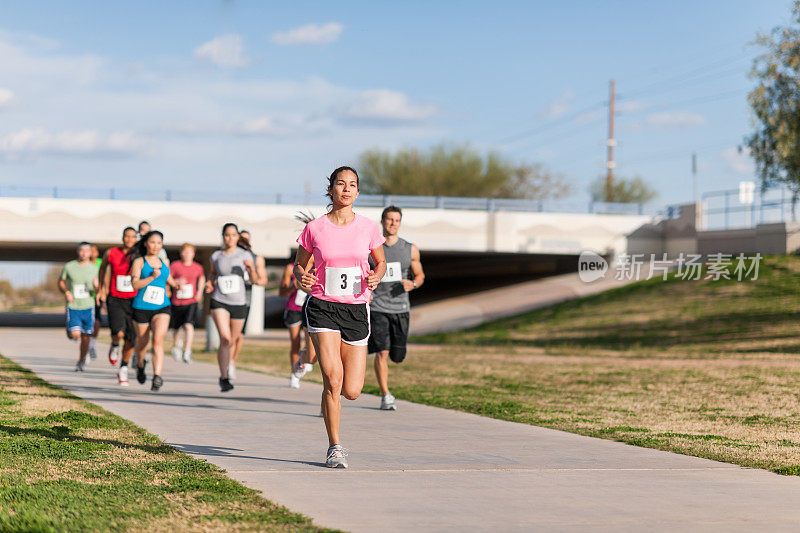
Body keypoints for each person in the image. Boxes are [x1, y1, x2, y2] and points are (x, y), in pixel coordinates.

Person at [294, 166, 386, 468]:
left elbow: (380, 262)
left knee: (352, 390)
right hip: (323, 306)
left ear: (357, 192)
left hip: (357, 309)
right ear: (331, 189)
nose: (346, 189)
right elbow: (299, 266)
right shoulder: (315, 228)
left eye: (352, 185)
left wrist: (376, 276)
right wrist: (301, 278)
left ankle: (330, 387)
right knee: (333, 380)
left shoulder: (369, 227)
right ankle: (335, 446)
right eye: (340, 184)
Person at [368, 206, 425, 410]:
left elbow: (420, 275)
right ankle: (386, 395)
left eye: (396, 220)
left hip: (401, 308)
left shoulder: (410, 248)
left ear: (400, 223)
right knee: (381, 352)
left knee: (398, 357)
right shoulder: (372, 247)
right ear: (382, 221)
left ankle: (394, 361)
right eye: (389, 219)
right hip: (378, 307)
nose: (393, 223)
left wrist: (414, 284)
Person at [206, 223, 257, 392]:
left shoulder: (245, 255)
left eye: (233, 235)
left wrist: (250, 268)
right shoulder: (216, 256)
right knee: (225, 339)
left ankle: (230, 364)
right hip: (219, 300)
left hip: (239, 302)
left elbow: (255, 279)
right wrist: (209, 282)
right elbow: (213, 273)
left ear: (237, 237)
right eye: (227, 235)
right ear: (223, 236)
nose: (230, 238)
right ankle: (224, 377)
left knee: (233, 340)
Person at [129, 230, 175, 391]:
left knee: (158, 340)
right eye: (153, 242)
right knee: (142, 342)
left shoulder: (163, 263)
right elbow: (134, 285)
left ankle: (157, 376)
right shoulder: (139, 262)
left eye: (159, 243)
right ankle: (140, 365)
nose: (156, 246)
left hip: (162, 306)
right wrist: (150, 278)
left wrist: (178, 285)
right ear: (146, 243)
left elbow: (169, 280)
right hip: (141, 307)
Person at [98, 227, 138, 385]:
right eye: (127, 236)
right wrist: (102, 287)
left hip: (134, 300)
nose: (129, 239)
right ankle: (114, 344)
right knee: (118, 332)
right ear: (122, 238)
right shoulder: (111, 253)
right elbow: (102, 269)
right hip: (115, 297)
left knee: (131, 338)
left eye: (132, 237)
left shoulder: (139, 254)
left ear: (136, 239)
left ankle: (123, 369)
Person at [229, 229, 266, 379]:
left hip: (245, 298)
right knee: (228, 334)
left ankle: (232, 362)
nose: (244, 242)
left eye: (246, 239)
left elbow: (263, 281)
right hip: (227, 297)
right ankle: (227, 360)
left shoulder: (256, 258)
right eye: (241, 239)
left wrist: (252, 274)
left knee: (238, 335)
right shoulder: (228, 255)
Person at [58, 242, 99, 372]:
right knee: (76, 334)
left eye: (87, 251)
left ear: (90, 252)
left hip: (89, 305)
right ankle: (71, 331)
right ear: (78, 251)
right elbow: (61, 281)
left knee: (86, 336)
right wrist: (66, 292)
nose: (84, 253)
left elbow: (99, 286)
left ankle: (81, 361)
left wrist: (97, 289)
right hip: (73, 305)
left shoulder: (94, 268)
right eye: (82, 250)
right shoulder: (70, 266)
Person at [280, 255, 315, 388]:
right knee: (295, 341)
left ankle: (305, 357)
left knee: (311, 343)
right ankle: (294, 375)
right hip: (294, 308)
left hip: (312, 307)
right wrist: (294, 286)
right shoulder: (291, 268)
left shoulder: (319, 265)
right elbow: (281, 292)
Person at [169, 243, 205, 363]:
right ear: (181, 253)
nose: (187, 254)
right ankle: (176, 346)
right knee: (177, 328)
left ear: (193, 254)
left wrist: (199, 292)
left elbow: (202, 279)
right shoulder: (175, 265)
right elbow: (168, 279)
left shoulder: (197, 267)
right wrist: (176, 281)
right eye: (185, 252)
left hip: (191, 300)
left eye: (189, 252)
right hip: (177, 300)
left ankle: (187, 351)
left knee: (189, 325)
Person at [89, 244, 103, 361]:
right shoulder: (83, 263)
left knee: (97, 320)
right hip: (84, 297)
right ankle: (86, 344)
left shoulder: (101, 263)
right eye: (90, 251)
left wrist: (103, 292)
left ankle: (92, 344)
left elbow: (107, 277)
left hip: (98, 296)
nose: (92, 253)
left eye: (94, 251)